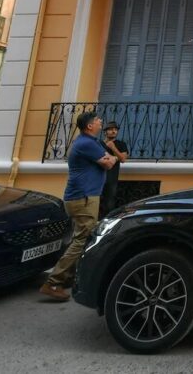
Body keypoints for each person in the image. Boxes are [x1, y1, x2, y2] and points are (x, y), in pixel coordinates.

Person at [40, 111, 117, 301]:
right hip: (83, 198)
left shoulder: (89, 142)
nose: (101, 122)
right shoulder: (87, 144)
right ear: (90, 126)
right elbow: (109, 163)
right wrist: (111, 158)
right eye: (98, 121)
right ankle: (53, 282)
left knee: (79, 238)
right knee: (82, 240)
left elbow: (109, 159)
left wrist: (110, 158)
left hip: (83, 197)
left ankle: (67, 278)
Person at [99, 121, 129, 219]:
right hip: (97, 176)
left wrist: (114, 148)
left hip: (111, 178)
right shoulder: (98, 144)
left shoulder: (121, 144)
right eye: (111, 129)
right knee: (96, 201)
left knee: (109, 202)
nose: (114, 131)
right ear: (105, 132)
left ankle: (107, 222)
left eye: (115, 130)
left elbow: (123, 159)